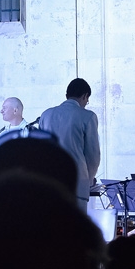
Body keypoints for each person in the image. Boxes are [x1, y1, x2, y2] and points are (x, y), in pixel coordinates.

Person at [39, 78, 100, 210]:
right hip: (76, 183)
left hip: (49, 182)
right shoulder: (88, 116)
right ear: (85, 96)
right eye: (87, 100)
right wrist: (88, 181)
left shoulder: (46, 115)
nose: (86, 103)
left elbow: (41, 151)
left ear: (67, 94)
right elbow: (93, 155)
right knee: (74, 222)